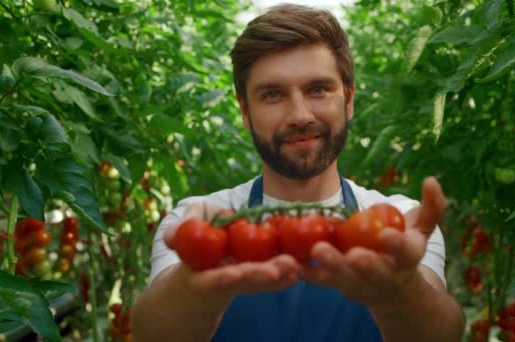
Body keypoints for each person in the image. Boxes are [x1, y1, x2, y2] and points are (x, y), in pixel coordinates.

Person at [131, 4, 465, 342]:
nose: (300, 114)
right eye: (273, 94)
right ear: (245, 112)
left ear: (348, 99)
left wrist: (398, 289)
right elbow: (151, 333)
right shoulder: (198, 220)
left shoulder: (398, 220)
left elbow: (443, 334)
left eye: (318, 89)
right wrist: (197, 280)